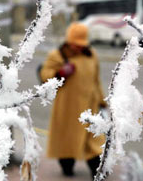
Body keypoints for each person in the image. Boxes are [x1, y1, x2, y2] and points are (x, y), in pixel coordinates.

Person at [40, 22, 106, 179]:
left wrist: (102, 100)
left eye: (81, 44)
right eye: (75, 44)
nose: (79, 47)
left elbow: (96, 80)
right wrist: (60, 73)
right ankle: (67, 168)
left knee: (94, 143)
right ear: (69, 41)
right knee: (67, 143)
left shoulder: (92, 55)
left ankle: (97, 172)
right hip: (67, 108)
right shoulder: (57, 56)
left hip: (90, 107)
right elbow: (45, 76)